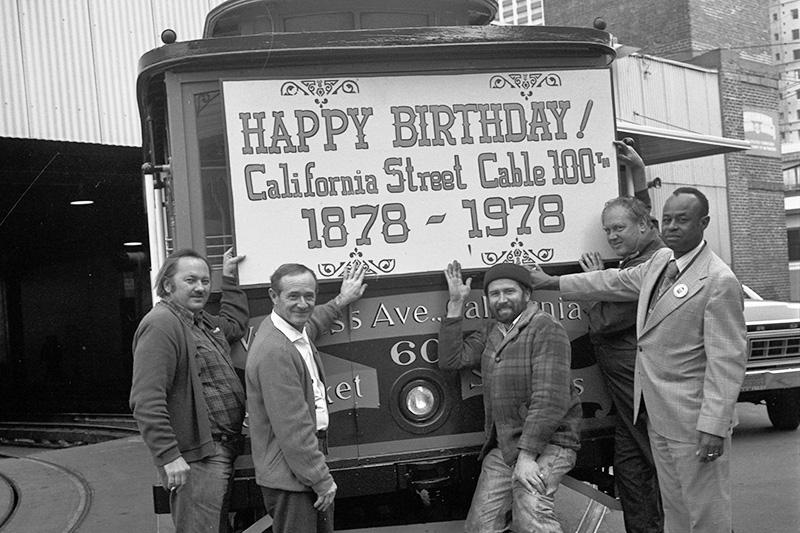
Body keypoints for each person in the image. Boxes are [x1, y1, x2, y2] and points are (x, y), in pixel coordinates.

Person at [530, 187, 747, 533]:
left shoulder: (718, 281)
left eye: (684, 220)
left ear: (704, 223)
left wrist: (714, 426)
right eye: (670, 219)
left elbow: (728, 361)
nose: (673, 227)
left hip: (694, 421)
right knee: (675, 510)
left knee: (706, 515)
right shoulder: (660, 263)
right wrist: (552, 281)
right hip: (657, 415)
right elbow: (612, 280)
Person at [438, 260, 582, 533]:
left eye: (509, 291)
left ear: (527, 294)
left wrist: (527, 456)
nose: (502, 299)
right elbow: (451, 359)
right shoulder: (493, 330)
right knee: (480, 527)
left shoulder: (546, 328)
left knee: (532, 516)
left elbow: (549, 398)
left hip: (549, 444)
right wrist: (456, 303)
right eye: (495, 294)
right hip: (505, 447)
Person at [130, 247, 248, 533]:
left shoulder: (201, 321)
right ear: (168, 285)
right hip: (198, 457)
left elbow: (234, 326)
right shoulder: (162, 325)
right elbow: (146, 399)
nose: (200, 288)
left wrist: (229, 281)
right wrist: (168, 455)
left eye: (205, 281)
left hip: (219, 449)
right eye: (191, 280)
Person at [580, 142, 665, 533]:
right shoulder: (643, 252)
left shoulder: (650, 265)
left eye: (619, 229)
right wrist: (639, 177)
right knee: (630, 471)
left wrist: (594, 285)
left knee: (658, 464)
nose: (611, 236)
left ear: (642, 229)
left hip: (638, 384)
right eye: (607, 230)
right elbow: (647, 220)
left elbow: (603, 323)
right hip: (624, 394)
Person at [246, 263, 366, 533]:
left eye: (309, 296)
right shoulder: (276, 351)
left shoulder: (291, 332)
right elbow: (294, 428)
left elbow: (313, 322)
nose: (302, 304)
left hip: (296, 471)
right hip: (293, 475)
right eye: (293, 296)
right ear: (273, 296)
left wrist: (341, 299)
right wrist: (320, 479)